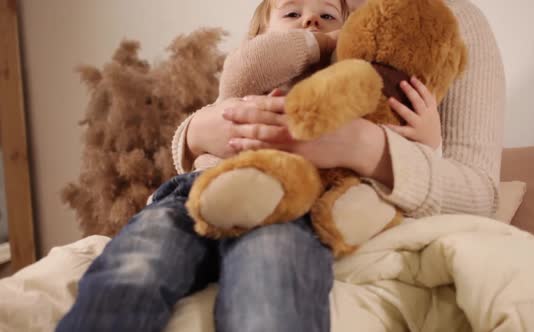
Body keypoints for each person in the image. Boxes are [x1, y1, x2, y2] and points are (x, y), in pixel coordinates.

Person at [57, 0, 504, 331]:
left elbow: (473, 189)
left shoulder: (423, 31)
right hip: (203, 188)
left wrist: (408, 146)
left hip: (295, 204)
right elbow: (227, 95)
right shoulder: (272, 59)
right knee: (142, 257)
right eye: (292, 14)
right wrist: (195, 133)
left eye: (329, 15)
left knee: (273, 270)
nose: (310, 18)